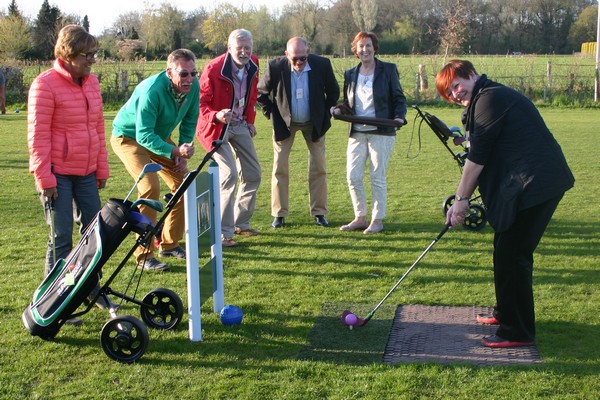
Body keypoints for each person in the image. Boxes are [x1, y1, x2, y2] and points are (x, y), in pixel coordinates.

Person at [436, 60, 575, 348]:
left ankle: (518, 332)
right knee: (504, 248)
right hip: (527, 183)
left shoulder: (490, 98)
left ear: (472, 75)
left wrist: (460, 201)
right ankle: (506, 314)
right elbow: (478, 150)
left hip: (538, 185)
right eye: (449, 93)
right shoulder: (484, 99)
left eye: (457, 85)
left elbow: (478, 159)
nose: (455, 94)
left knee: (514, 255)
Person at [27, 24, 110, 324]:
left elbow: (97, 128)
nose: (92, 60)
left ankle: (91, 290)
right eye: (88, 54)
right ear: (69, 53)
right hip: (56, 174)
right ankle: (54, 301)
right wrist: (45, 178)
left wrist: (101, 167)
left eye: (94, 54)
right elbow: (38, 137)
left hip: (86, 171)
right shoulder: (44, 84)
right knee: (60, 238)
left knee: (95, 234)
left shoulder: (92, 82)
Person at [112, 48, 198, 271]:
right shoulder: (153, 90)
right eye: (183, 74)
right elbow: (143, 135)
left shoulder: (193, 87)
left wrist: (183, 149)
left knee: (183, 183)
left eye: (193, 73)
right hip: (129, 137)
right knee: (150, 187)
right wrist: (174, 151)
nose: (189, 79)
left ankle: (169, 244)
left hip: (158, 137)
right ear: (170, 72)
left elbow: (190, 119)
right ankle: (144, 255)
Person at [257, 37, 340, 229]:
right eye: (294, 58)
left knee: (319, 167)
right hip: (285, 124)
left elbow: (333, 92)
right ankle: (279, 214)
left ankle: (319, 212)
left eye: (303, 58)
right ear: (286, 55)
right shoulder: (276, 66)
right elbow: (261, 93)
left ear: (308, 52)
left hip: (314, 123)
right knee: (279, 168)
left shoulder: (322, 65)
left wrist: (324, 115)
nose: (299, 63)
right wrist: (271, 114)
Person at [331, 32, 407, 234]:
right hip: (357, 131)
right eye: (361, 46)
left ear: (375, 48)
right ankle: (360, 217)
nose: (365, 49)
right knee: (353, 176)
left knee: (377, 176)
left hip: (381, 131)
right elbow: (349, 103)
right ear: (355, 50)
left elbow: (399, 99)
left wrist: (399, 117)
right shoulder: (350, 74)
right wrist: (339, 109)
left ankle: (377, 219)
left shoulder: (388, 70)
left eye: (368, 45)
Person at [196, 29, 261, 247]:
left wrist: (250, 121)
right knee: (229, 174)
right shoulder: (214, 68)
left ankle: (241, 224)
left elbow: (252, 96)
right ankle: (223, 233)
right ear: (229, 47)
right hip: (216, 127)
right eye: (239, 48)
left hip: (239, 124)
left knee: (253, 174)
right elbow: (200, 103)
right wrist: (216, 115)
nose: (243, 52)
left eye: (247, 48)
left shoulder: (253, 63)